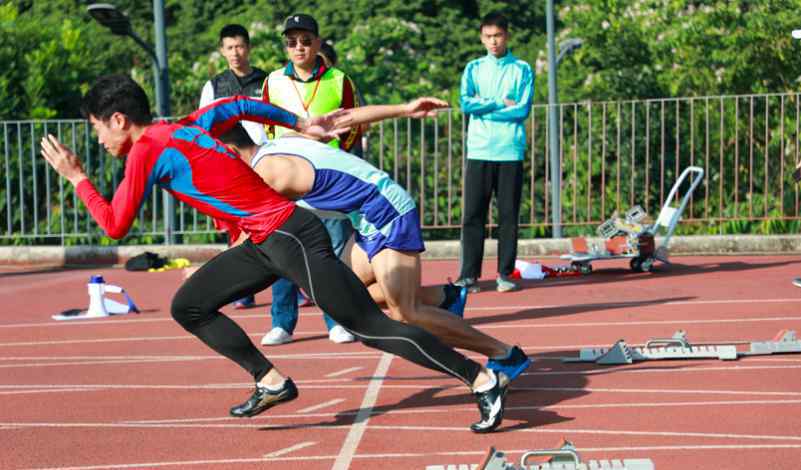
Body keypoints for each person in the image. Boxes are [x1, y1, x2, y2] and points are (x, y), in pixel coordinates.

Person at [40, 74, 509, 433]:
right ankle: (270, 381)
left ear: (119, 120)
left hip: (290, 236)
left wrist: (77, 177)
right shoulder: (185, 124)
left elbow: (115, 224)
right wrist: (299, 122)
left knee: (371, 326)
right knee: (190, 305)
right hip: (264, 241)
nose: (99, 139)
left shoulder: (145, 151)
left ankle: (481, 379)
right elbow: (239, 104)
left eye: (97, 128)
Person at [212, 103, 531, 382]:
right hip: (366, 222)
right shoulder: (283, 141)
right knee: (341, 297)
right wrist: (405, 108)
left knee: (406, 313)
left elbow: (249, 237)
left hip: (387, 212)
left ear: (228, 151)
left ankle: (504, 354)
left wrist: (207, 277)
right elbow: (344, 118)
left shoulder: (268, 174)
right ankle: (444, 297)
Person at [260, 14, 363, 345]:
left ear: (318, 43)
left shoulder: (338, 80)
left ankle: (337, 321)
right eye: (291, 42)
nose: (299, 47)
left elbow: (353, 125)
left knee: (331, 251)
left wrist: (335, 153)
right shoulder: (272, 81)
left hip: (327, 178)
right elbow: (266, 126)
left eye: (305, 40)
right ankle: (282, 322)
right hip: (286, 175)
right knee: (283, 248)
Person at [455, 12, 534, 294]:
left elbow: (522, 110)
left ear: (506, 36)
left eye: (498, 36)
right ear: (481, 37)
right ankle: (468, 275)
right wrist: (499, 102)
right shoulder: (473, 68)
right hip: (478, 149)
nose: (493, 41)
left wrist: (484, 107)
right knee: (473, 214)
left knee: (509, 216)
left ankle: (504, 274)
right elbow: (466, 103)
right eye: (488, 36)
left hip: (510, 151)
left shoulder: (522, 68)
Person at [199, 23, 268, 309]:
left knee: (276, 222)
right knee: (238, 228)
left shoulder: (268, 82)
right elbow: (203, 127)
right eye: (229, 48)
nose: (235, 52)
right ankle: (243, 289)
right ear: (222, 51)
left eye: (240, 46)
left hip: (266, 160)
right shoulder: (214, 86)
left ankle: (295, 284)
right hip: (230, 164)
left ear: (248, 48)